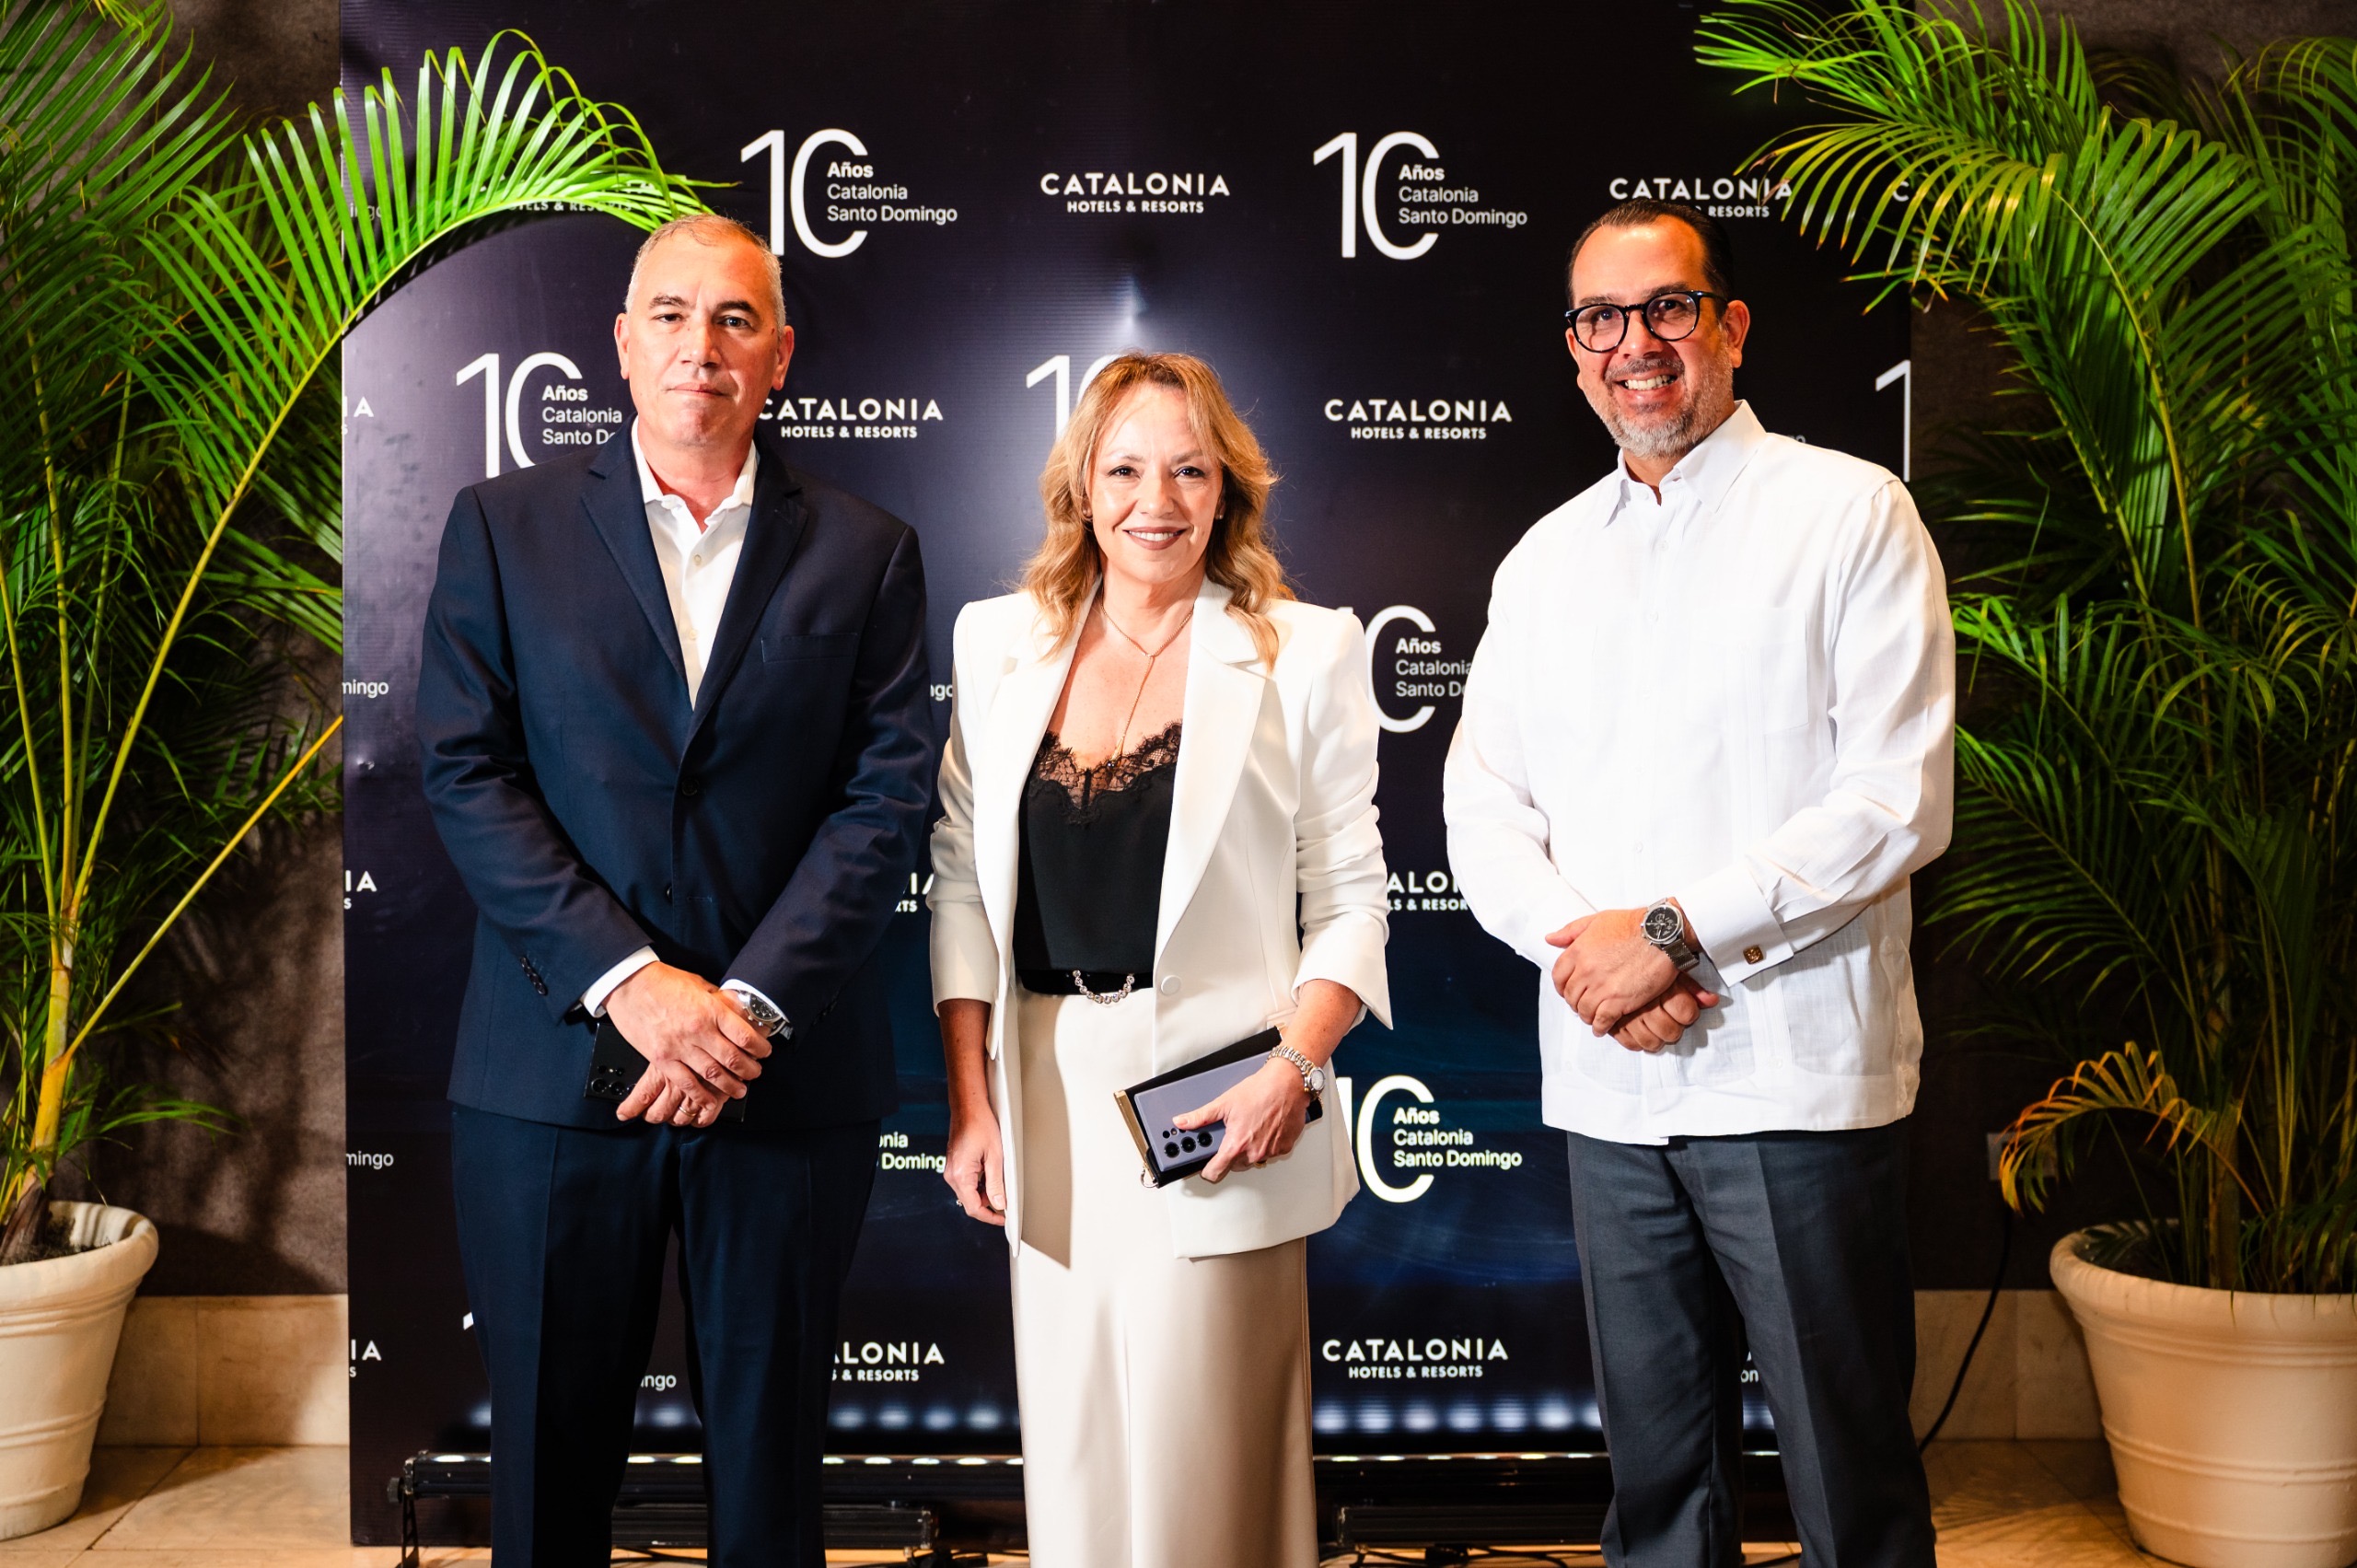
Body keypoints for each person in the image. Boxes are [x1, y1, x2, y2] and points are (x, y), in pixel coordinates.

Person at [415, 213, 933, 1567]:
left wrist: (746, 1008)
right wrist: (636, 986)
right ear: (622, 342)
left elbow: (884, 803)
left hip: (783, 1081)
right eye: (671, 314)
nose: (701, 346)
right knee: (547, 1467)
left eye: (735, 319)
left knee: (771, 1471)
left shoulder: (867, 549)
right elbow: (467, 772)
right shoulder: (503, 527)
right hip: (553, 1075)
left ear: (780, 356)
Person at [1443, 199, 1953, 1567]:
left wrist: (1672, 937)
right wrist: (1597, 956)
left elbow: (1892, 801)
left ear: (1729, 326)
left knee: (1848, 1483)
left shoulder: (1849, 512)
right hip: (1610, 1083)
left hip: (1794, 1082)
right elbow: (1481, 807)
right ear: (1575, 351)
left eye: (1667, 307)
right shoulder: (1545, 559)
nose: (1636, 344)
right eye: (1600, 319)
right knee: (1661, 1492)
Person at [928, 352, 1388, 1568]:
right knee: (1079, 1473)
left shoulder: (1305, 651)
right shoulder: (997, 642)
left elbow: (1352, 900)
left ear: (1228, 488)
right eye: (1127, 469)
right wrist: (972, 1099)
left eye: (1190, 470)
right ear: (1081, 485)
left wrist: (1293, 1070)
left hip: (1221, 1108)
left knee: (1208, 1489)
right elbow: (963, 881)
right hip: (1047, 1099)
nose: (1158, 500)